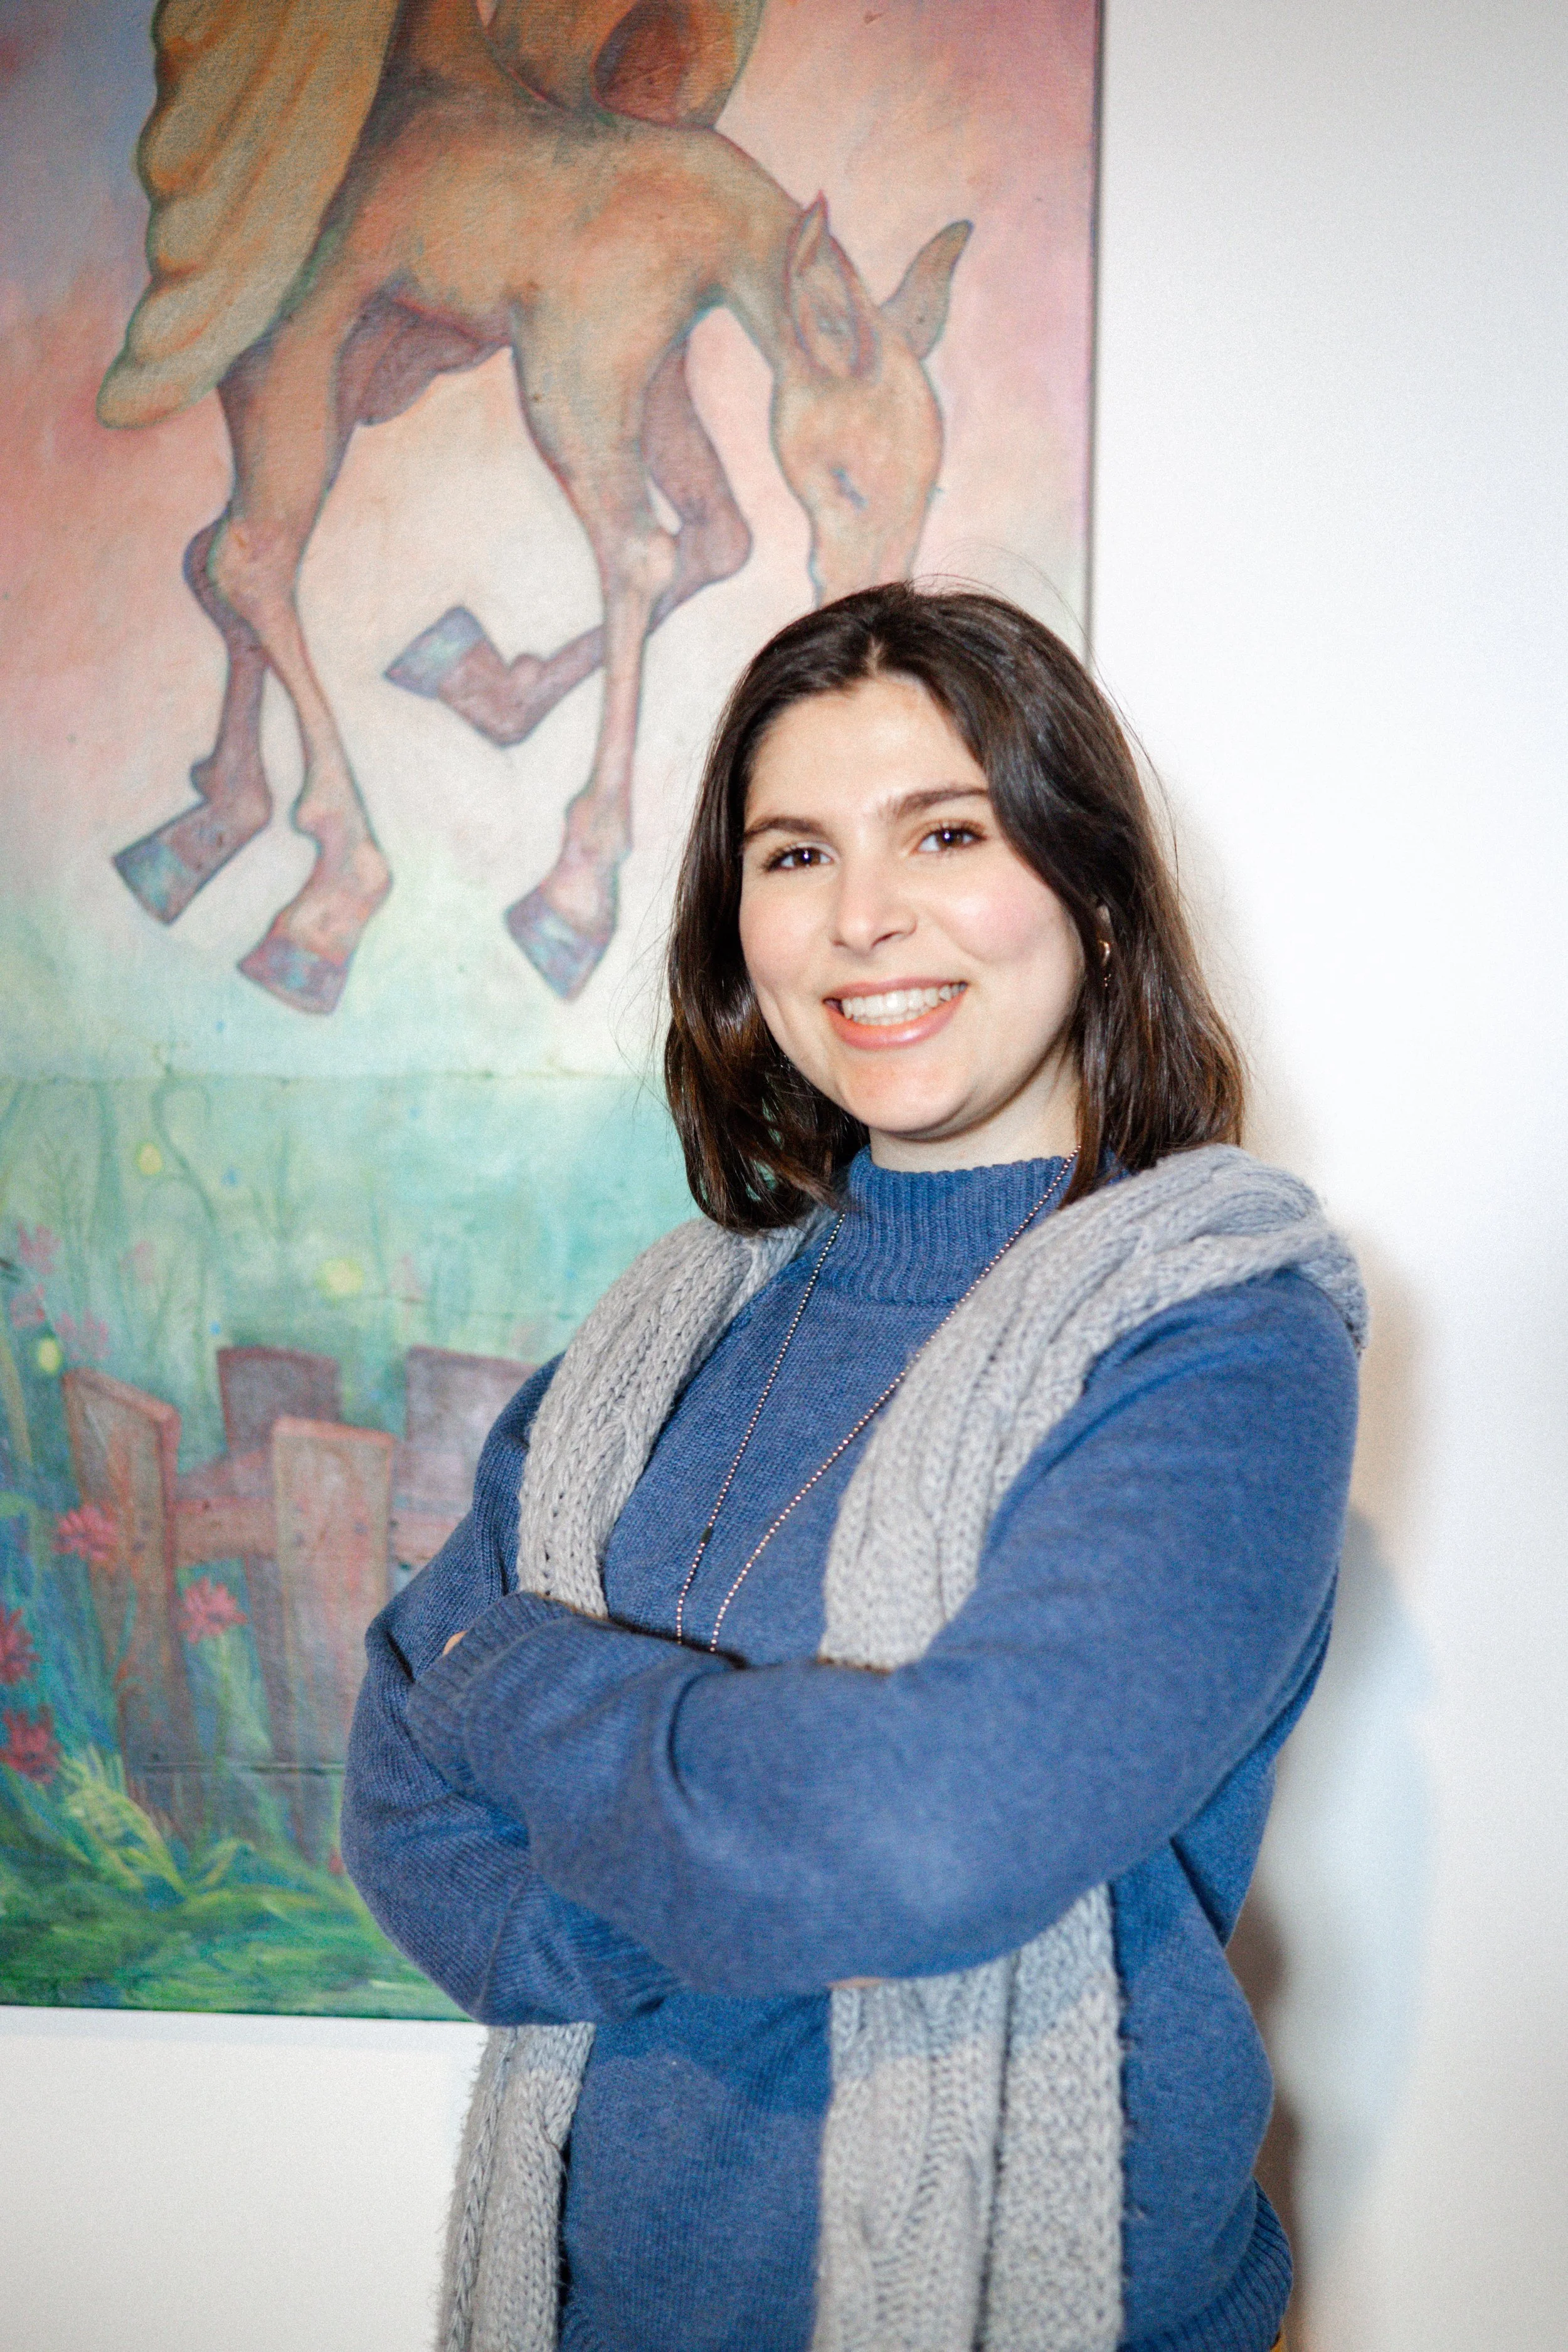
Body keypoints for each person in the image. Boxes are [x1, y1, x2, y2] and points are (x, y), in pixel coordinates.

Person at [342, 583, 1362, 2352]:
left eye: (945, 832)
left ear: (1094, 890)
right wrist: (722, 1882)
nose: (862, 916)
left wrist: (515, 1683)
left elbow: (923, 1836)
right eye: (795, 853)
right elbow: (397, 1804)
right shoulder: (661, 1333)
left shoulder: (1220, 1343)